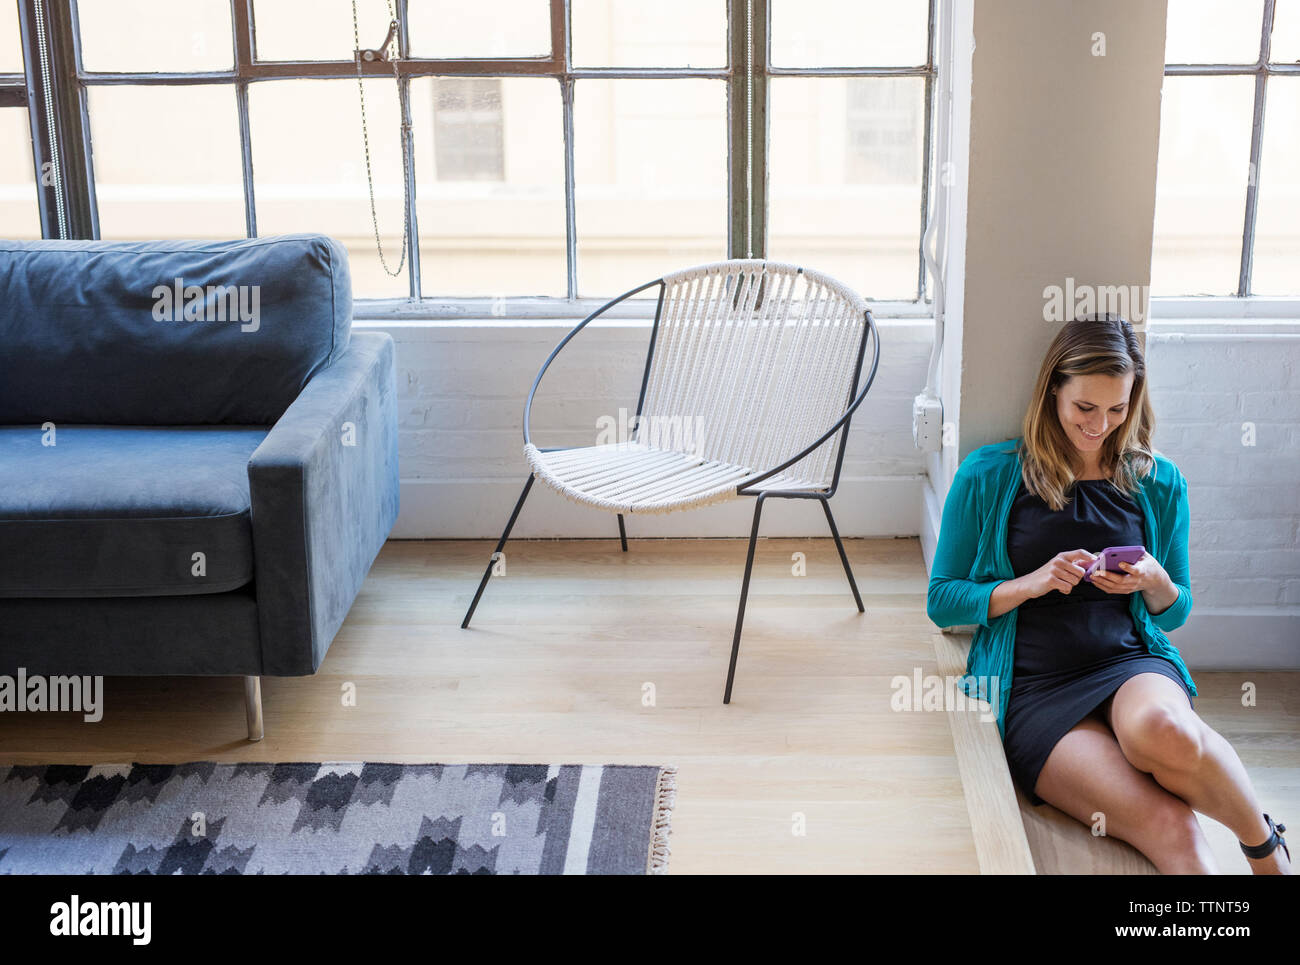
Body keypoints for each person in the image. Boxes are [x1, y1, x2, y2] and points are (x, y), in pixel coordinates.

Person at [926, 316, 1290, 874]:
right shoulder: (991, 474)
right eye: (1084, 408)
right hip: (1035, 685)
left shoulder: (1159, 481)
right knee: (1170, 826)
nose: (1099, 426)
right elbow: (943, 600)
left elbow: (1176, 611)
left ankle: (1265, 849)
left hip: (1128, 661)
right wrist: (1033, 582)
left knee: (1163, 731)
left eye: (1117, 409)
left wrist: (1155, 582)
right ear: (1054, 392)